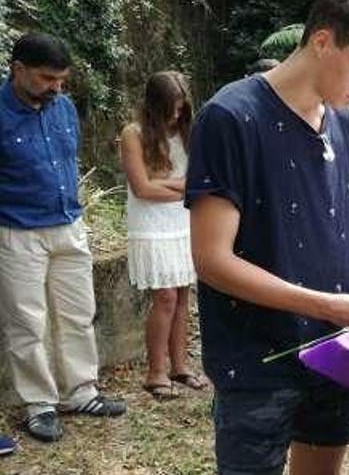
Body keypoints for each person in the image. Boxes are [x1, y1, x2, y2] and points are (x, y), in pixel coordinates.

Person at [185, 0, 349, 474]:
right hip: (258, 359)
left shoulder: (343, 124)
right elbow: (212, 260)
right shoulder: (231, 118)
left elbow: (342, 220)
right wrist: (328, 304)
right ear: (321, 41)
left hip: (337, 347)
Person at [0, 33, 126, 443]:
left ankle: (81, 392)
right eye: (47, 78)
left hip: (69, 224)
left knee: (78, 313)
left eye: (61, 79)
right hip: (17, 231)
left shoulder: (64, 107)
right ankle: (39, 404)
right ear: (18, 70)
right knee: (27, 323)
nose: (56, 87)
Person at [120, 71, 205, 400]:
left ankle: (179, 366)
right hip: (152, 224)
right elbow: (141, 188)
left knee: (183, 296)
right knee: (165, 297)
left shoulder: (188, 132)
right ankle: (155, 371)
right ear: (154, 104)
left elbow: (197, 181)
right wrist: (181, 187)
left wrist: (167, 184)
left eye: (182, 105)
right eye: (171, 106)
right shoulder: (134, 133)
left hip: (183, 221)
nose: (177, 112)